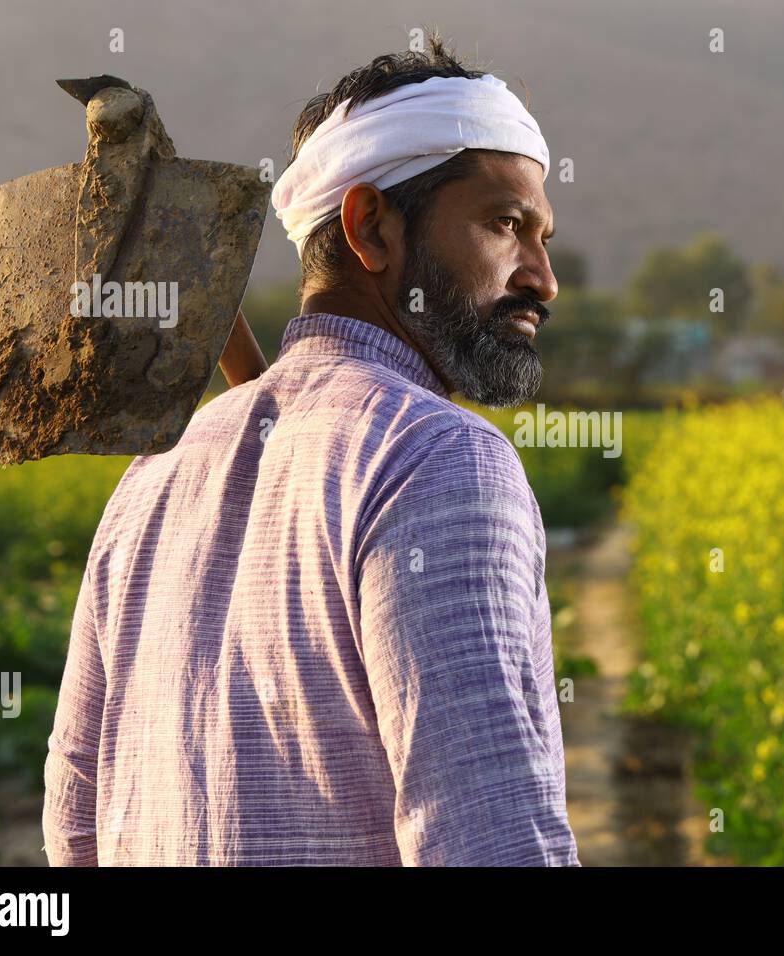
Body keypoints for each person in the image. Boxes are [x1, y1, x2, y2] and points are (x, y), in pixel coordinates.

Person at [42, 34, 578, 866]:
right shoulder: (437, 460)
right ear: (371, 228)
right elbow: (492, 839)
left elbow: (76, 829)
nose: (542, 276)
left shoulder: (153, 475)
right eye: (505, 224)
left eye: (539, 236)